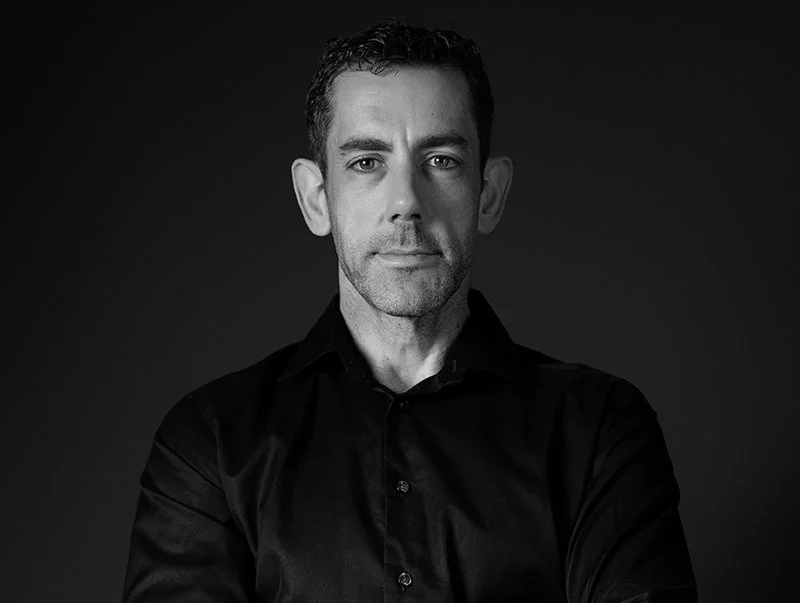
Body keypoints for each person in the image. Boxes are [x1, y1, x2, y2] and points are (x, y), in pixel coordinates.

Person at [122, 21, 697, 602]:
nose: (406, 203)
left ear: (489, 194)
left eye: (441, 160)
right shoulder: (211, 442)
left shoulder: (599, 429)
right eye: (367, 162)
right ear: (316, 199)